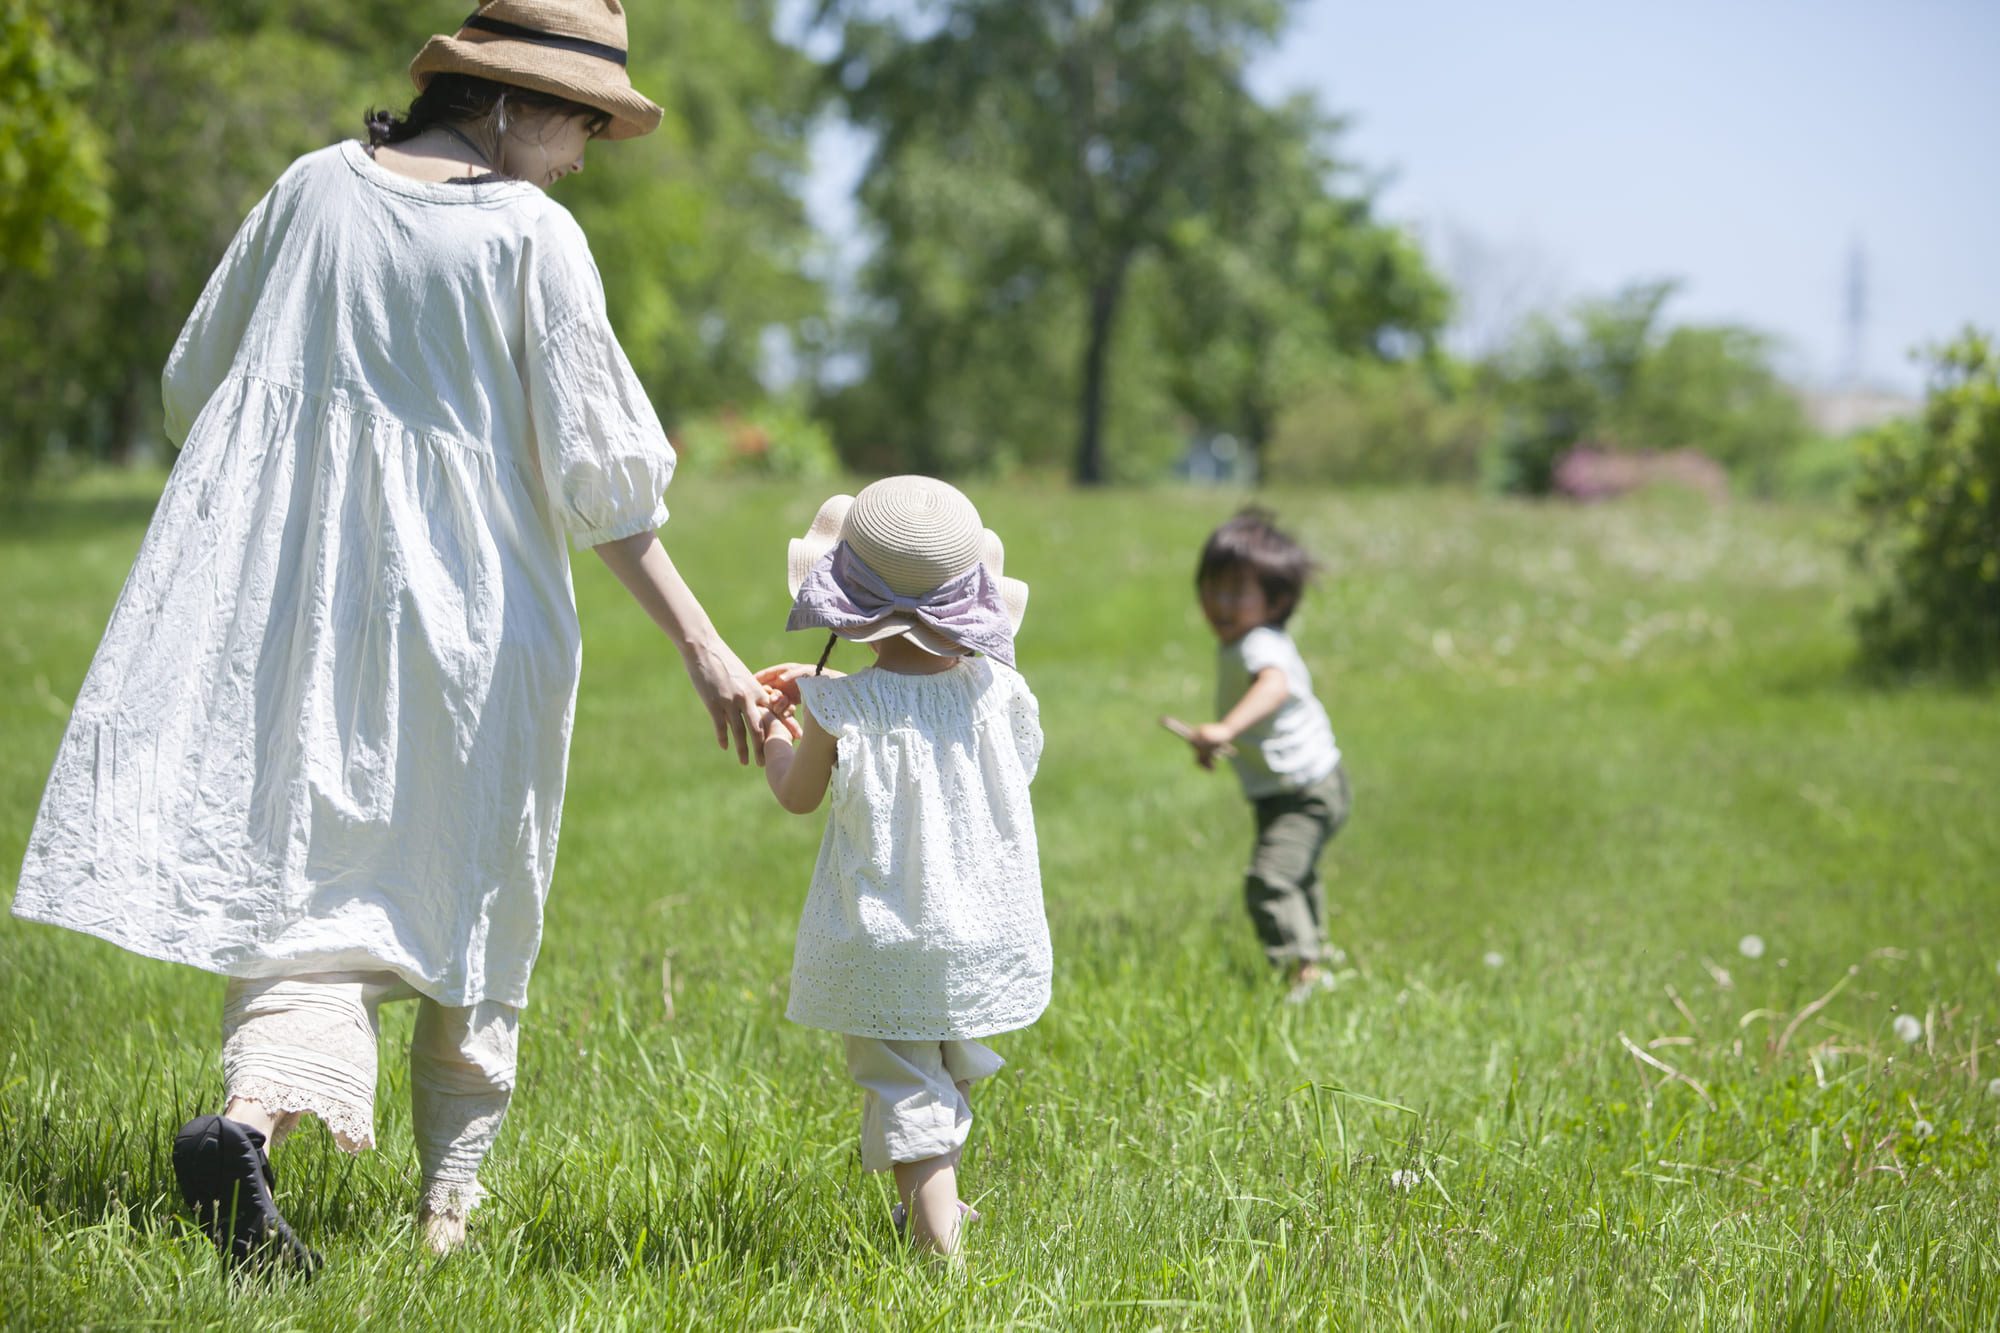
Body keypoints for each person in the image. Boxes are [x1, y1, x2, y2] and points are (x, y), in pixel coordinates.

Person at [8, 1, 781, 1268]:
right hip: (475, 625)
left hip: (298, 610)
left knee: (308, 895)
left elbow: (196, 380)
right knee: (469, 897)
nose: (586, 153)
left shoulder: (314, 186)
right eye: (584, 122)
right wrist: (704, 648)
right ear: (515, 103)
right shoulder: (533, 235)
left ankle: (250, 1120)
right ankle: (444, 1219)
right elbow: (605, 484)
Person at [753, 477, 1049, 1258]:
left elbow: (797, 794)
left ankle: (936, 1250)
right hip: (980, 924)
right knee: (944, 1062)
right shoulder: (1002, 693)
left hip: (890, 930)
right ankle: (936, 1202)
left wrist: (780, 726)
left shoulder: (841, 707)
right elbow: (1016, 770)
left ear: (846, 600)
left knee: (902, 1079)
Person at [1175, 509, 1350, 1002]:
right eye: (1211, 588)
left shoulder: (1259, 645)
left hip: (1304, 789)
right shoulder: (1242, 642)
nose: (1219, 604)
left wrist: (1226, 727)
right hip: (1292, 786)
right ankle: (1319, 955)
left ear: (1275, 602)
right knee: (1298, 873)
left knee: (1269, 880)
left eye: (1236, 592)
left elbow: (1274, 686)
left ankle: (1303, 973)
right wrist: (1217, 745)